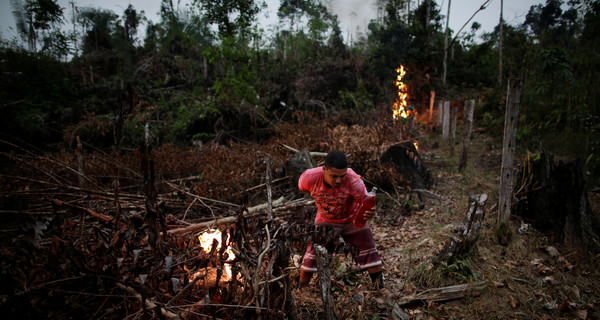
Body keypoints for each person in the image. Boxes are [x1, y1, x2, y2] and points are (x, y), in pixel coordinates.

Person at [297, 150, 384, 289]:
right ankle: (301, 289)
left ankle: (380, 288)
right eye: (334, 176)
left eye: (342, 176)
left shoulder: (354, 180)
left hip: (352, 218)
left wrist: (368, 212)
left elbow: (365, 203)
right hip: (325, 219)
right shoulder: (309, 178)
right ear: (324, 169)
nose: (338, 180)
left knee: (369, 251)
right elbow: (304, 188)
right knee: (311, 256)